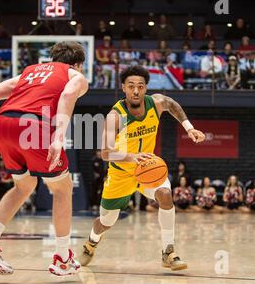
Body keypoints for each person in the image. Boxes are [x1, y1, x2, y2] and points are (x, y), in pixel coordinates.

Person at [0, 41, 89, 276]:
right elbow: (68, 95)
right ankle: (63, 258)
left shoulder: (30, 71)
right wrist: (59, 137)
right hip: (34, 126)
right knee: (62, 189)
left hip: (4, 123)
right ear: (78, 64)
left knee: (24, 185)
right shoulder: (75, 75)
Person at [78, 65, 205, 271]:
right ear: (124, 88)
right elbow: (105, 153)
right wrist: (131, 157)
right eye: (131, 86)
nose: (136, 91)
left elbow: (172, 104)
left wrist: (189, 128)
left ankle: (168, 252)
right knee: (106, 221)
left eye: (140, 86)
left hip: (148, 168)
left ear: (146, 88)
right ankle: (91, 243)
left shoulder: (156, 103)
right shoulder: (114, 116)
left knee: (165, 194)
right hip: (121, 174)